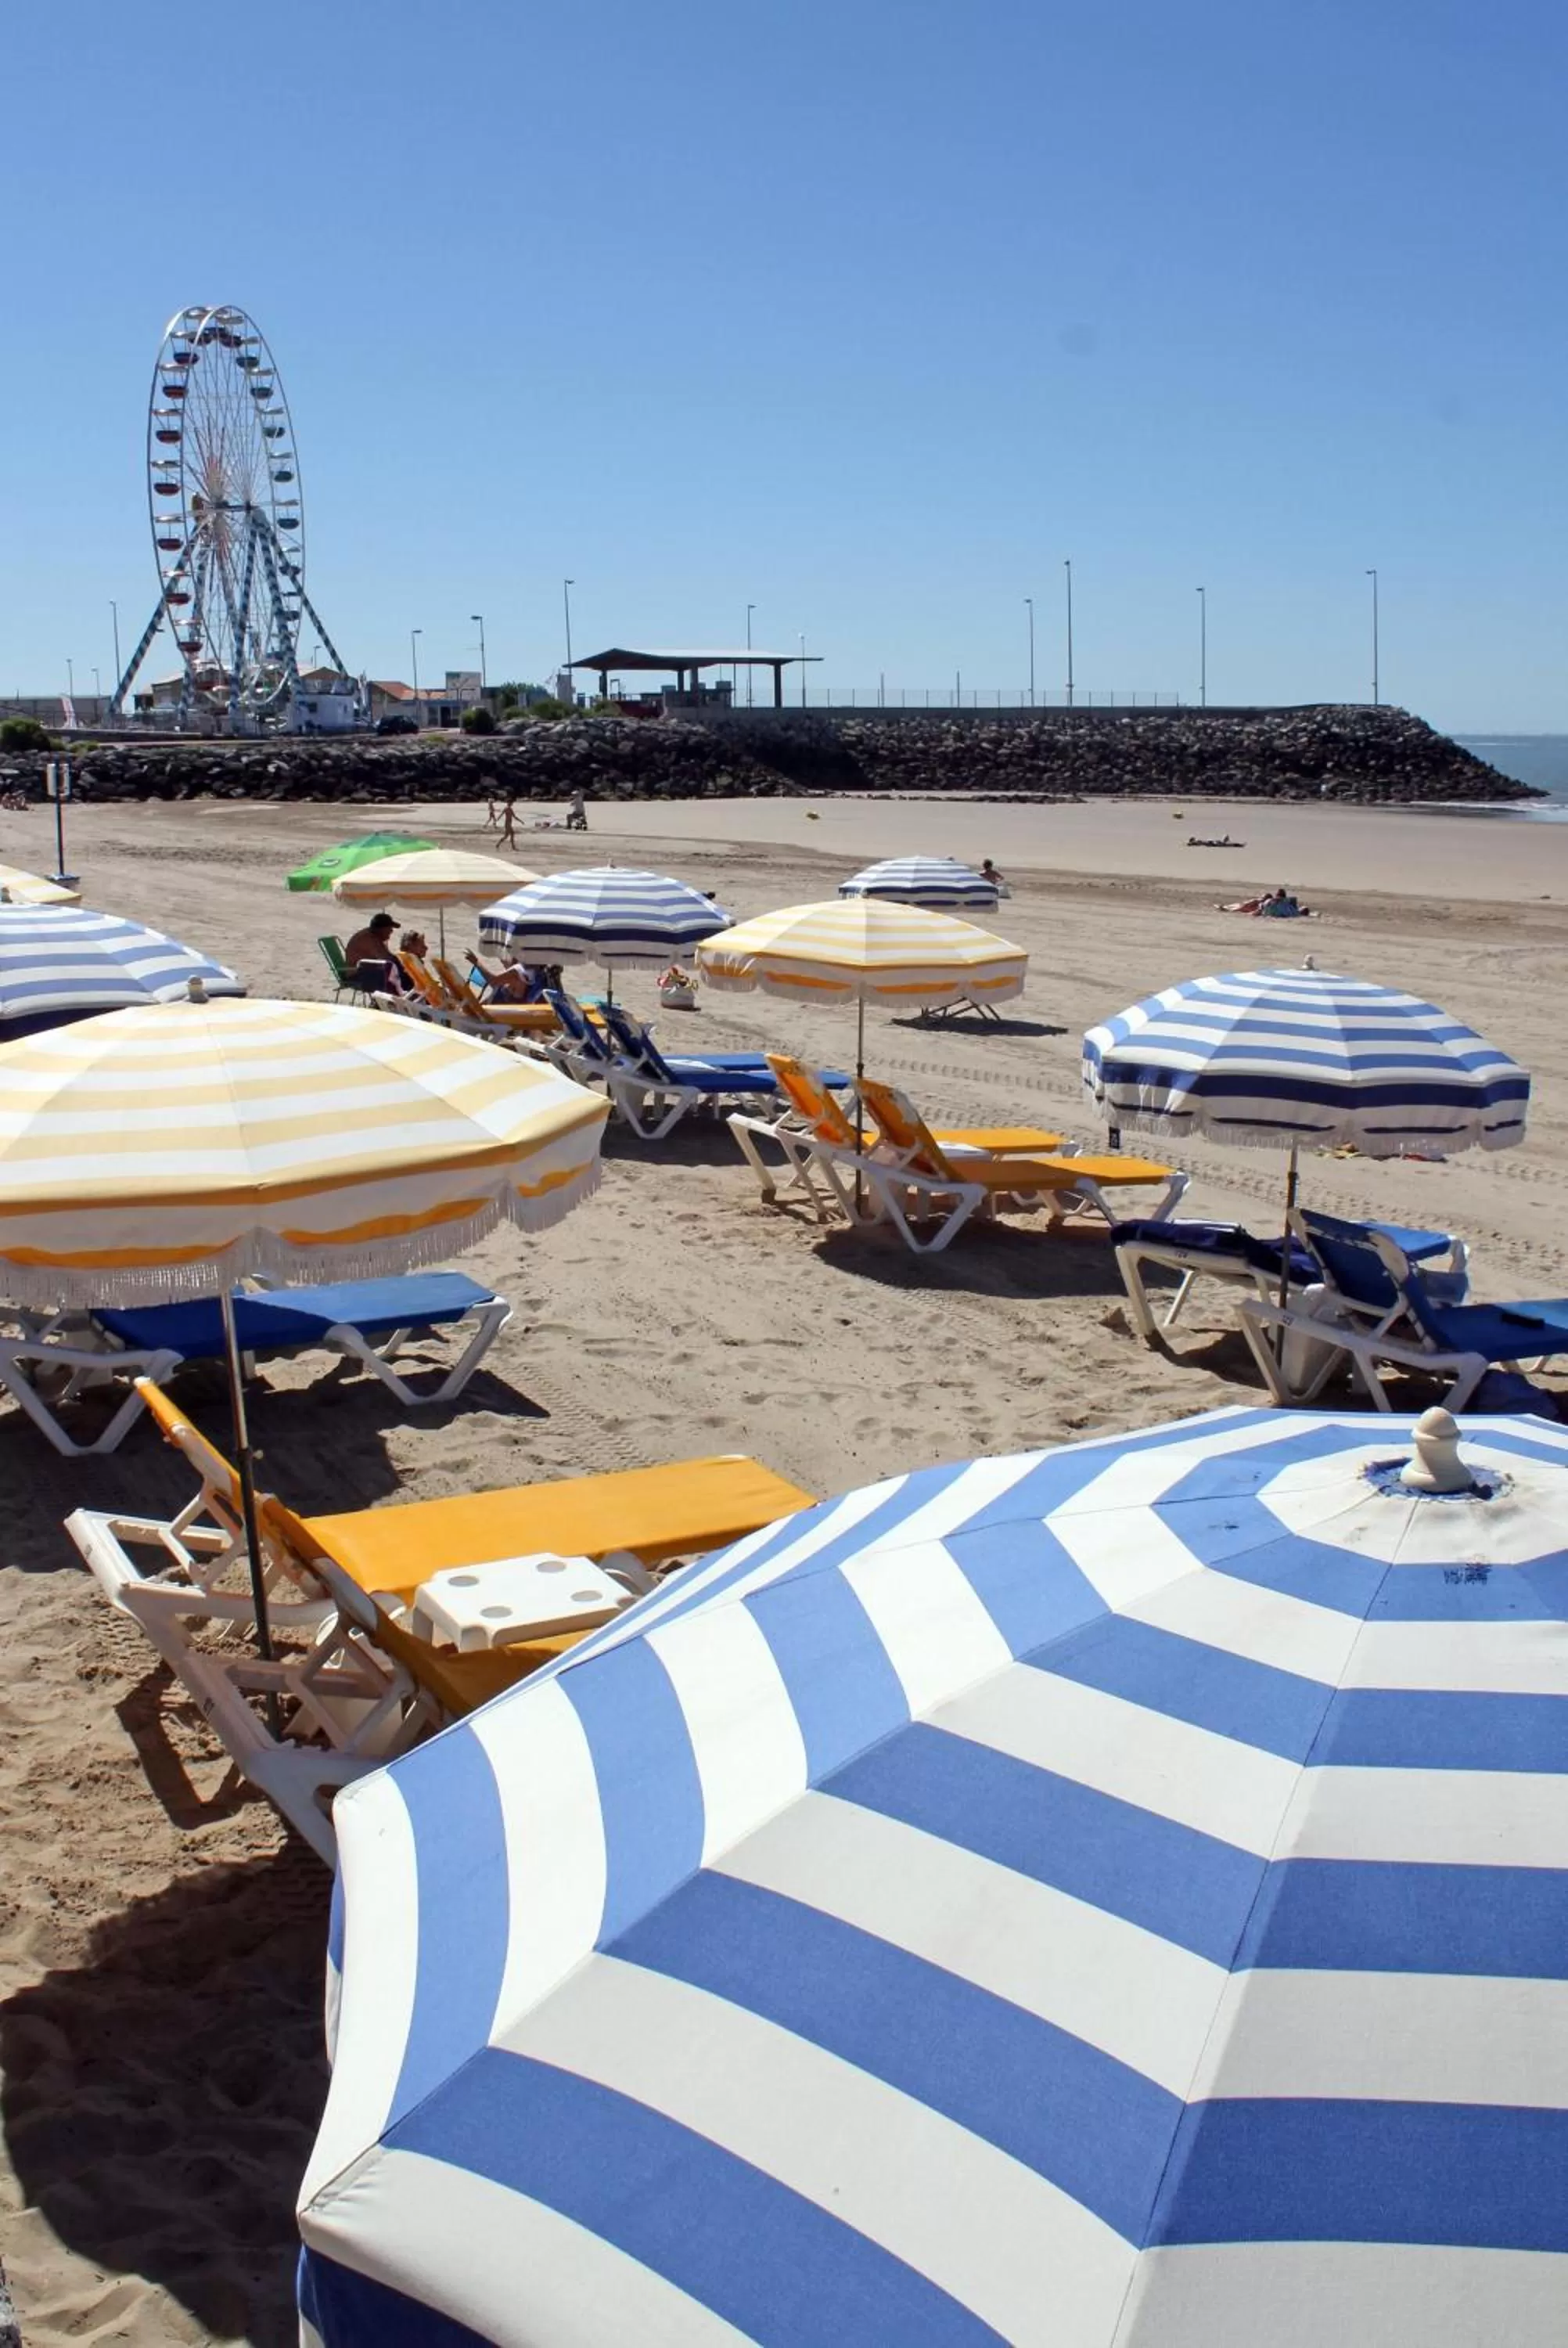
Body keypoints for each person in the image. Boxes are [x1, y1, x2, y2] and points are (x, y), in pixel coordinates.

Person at [343, 912, 400, 991]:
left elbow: (388, 958)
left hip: (365, 972)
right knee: (395, 976)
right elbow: (387, 958)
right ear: (380, 929)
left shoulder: (373, 936)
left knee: (396, 974)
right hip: (357, 976)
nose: (391, 931)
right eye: (389, 928)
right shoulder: (369, 939)